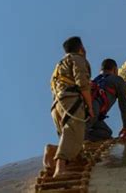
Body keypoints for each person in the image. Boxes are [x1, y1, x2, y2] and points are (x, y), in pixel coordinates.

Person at [49, 36, 94, 178]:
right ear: (81, 48)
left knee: (68, 135)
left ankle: (50, 151)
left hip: (57, 105)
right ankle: (60, 168)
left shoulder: (59, 65)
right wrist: (90, 107)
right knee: (73, 132)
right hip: (71, 101)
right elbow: (82, 84)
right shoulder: (78, 59)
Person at [86, 58, 126, 141]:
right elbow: (124, 105)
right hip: (93, 111)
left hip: (89, 112)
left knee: (106, 132)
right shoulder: (117, 80)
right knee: (79, 135)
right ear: (115, 70)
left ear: (101, 70)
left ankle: (83, 138)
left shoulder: (95, 81)